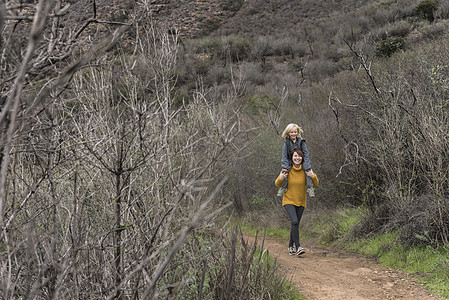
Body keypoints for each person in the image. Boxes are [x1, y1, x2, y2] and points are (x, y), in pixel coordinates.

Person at [275, 148, 318, 255]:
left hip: (301, 201)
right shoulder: (287, 170)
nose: (297, 158)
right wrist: (280, 178)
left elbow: (315, 184)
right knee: (294, 221)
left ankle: (290, 246)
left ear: (302, 158)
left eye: (299, 156)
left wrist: (313, 176)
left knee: (295, 224)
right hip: (289, 200)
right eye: (295, 156)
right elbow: (277, 183)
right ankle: (298, 247)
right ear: (292, 158)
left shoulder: (306, 170)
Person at [277, 123, 315, 197]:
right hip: (290, 161)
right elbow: (284, 155)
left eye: (295, 132)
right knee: (284, 171)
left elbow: (306, 154)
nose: (294, 134)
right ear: (288, 133)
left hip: (301, 160)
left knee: (308, 171)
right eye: (292, 132)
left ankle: (310, 188)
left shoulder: (301, 141)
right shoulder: (286, 143)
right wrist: (284, 166)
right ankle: (283, 187)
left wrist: (307, 165)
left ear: (297, 132)